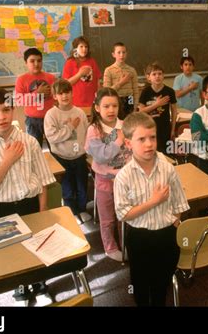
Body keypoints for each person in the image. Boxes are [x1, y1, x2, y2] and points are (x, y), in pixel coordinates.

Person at [0, 86, 56, 306]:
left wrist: (43, 210)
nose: (2, 116)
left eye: (6, 109)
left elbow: (43, 179)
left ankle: (39, 286)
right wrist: (7, 160)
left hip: (30, 204)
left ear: (13, 109)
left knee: (37, 249)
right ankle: (20, 291)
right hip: (2, 209)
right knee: (12, 255)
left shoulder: (29, 141)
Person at [113, 112, 189, 306]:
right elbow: (123, 214)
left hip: (166, 235)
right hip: (140, 237)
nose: (149, 144)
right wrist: (153, 202)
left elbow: (179, 202)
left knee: (161, 284)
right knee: (140, 284)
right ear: (129, 143)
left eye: (152, 137)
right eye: (141, 139)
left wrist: (175, 222)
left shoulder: (167, 168)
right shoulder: (123, 176)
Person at [85, 87, 131, 261]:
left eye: (114, 106)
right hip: (105, 180)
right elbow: (101, 155)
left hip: (124, 180)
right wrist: (119, 141)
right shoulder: (94, 130)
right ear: (97, 108)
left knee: (124, 215)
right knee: (107, 218)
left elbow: (132, 150)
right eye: (106, 106)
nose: (111, 110)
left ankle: (125, 243)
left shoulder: (125, 125)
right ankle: (110, 248)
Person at [43, 79, 90, 223]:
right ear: (55, 96)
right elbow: (52, 137)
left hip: (79, 156)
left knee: (82, 186)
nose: (64, 96)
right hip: (61, 157)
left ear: (72, 93)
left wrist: (87, 152)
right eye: (60, 93)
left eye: (67, 92)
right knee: (67, 188)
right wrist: (70, 128)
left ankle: (82, 209)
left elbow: (87, 133)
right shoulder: (51, 114)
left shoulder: (80, 112)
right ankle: (72, 212)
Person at [15, 48, 56, 147]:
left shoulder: (51, 77)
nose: (36, 64)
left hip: (50, 117)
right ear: (26, 62)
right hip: (32, 120)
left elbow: (56, 96)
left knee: (54, 146)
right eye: (32, 61)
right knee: (34, 148)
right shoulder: (21, 79)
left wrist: (50, 93)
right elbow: (19, 101)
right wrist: (37, 93)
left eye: (39, 60)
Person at [139, 62, 177, 154]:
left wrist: (172, 130)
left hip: (165, 129)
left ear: (163, 75)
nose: (157, 76)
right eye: (154, 74)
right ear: (149, 77)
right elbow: (141, 111)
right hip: (149, 128)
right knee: (151, 153)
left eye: (160, 74)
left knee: (166, 155)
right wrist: (156, 104)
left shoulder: (169, 91)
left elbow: (174, 111)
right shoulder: (145, 92)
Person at [62, 36, 101, 110]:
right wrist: (79, 74)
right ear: (75, 48)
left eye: (86, 47)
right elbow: (66, 84)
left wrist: (99, 98)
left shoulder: (92, 61)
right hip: (76, 102)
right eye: (81, 46)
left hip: (92, 102)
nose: (84, 49)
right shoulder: (70, 62)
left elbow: (97, 81)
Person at [103, 42, 139, 119]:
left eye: (124, 52)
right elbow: (107, 91)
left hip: (130, 99)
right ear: (113, 54)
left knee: (129, 125)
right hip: (116, 99)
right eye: (119, 52)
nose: (121, 55)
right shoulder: (109, 70)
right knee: (117, 124)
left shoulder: (132, 70)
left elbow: (136, 91)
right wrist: (122, 82)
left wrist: (135, 107)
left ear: (126, 54)